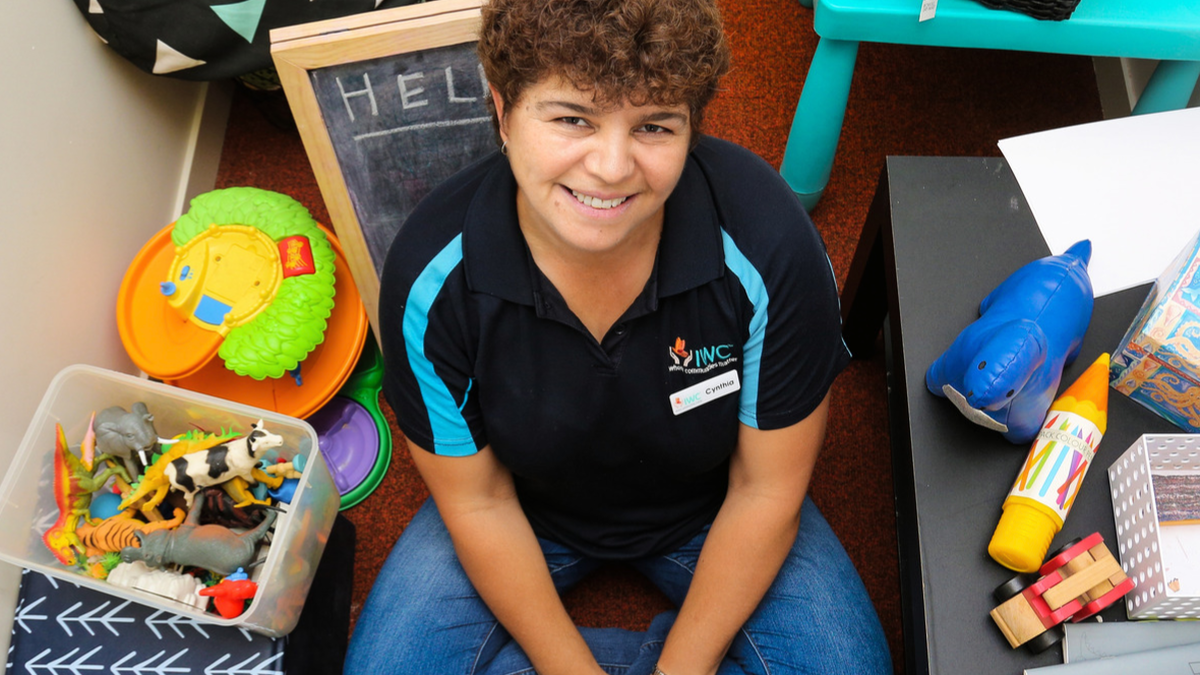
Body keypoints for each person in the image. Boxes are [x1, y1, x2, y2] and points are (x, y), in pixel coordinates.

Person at [345, 0, 892, 673]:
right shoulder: (428, 278)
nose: (610, 167)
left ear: (692, 130)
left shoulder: (771, 243)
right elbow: (478, 501)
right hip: (520, 507)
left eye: (654, 125)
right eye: (572, 118)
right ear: (503, 111)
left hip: (716, 504)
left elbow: (765, 491)